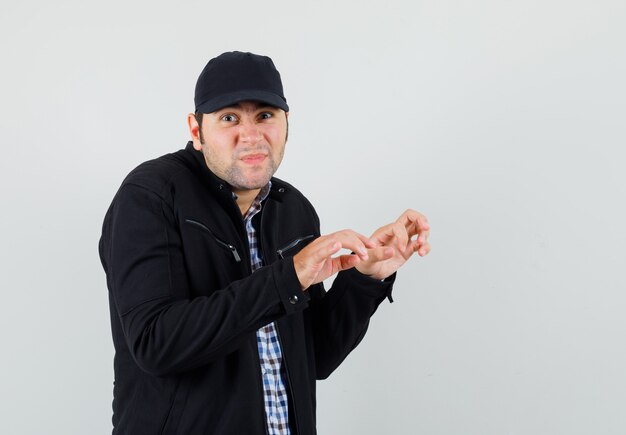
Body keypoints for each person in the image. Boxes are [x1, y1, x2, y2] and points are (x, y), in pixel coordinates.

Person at [99, 51, 431, 435]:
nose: (252, 134)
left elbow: (316, 357)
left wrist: (366, 278)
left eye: (265, 116)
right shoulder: (151, 196)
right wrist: (288, 277)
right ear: (196, 130)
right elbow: (155, 343)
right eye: (229, 118)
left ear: (287, 124)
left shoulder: (294, 209)